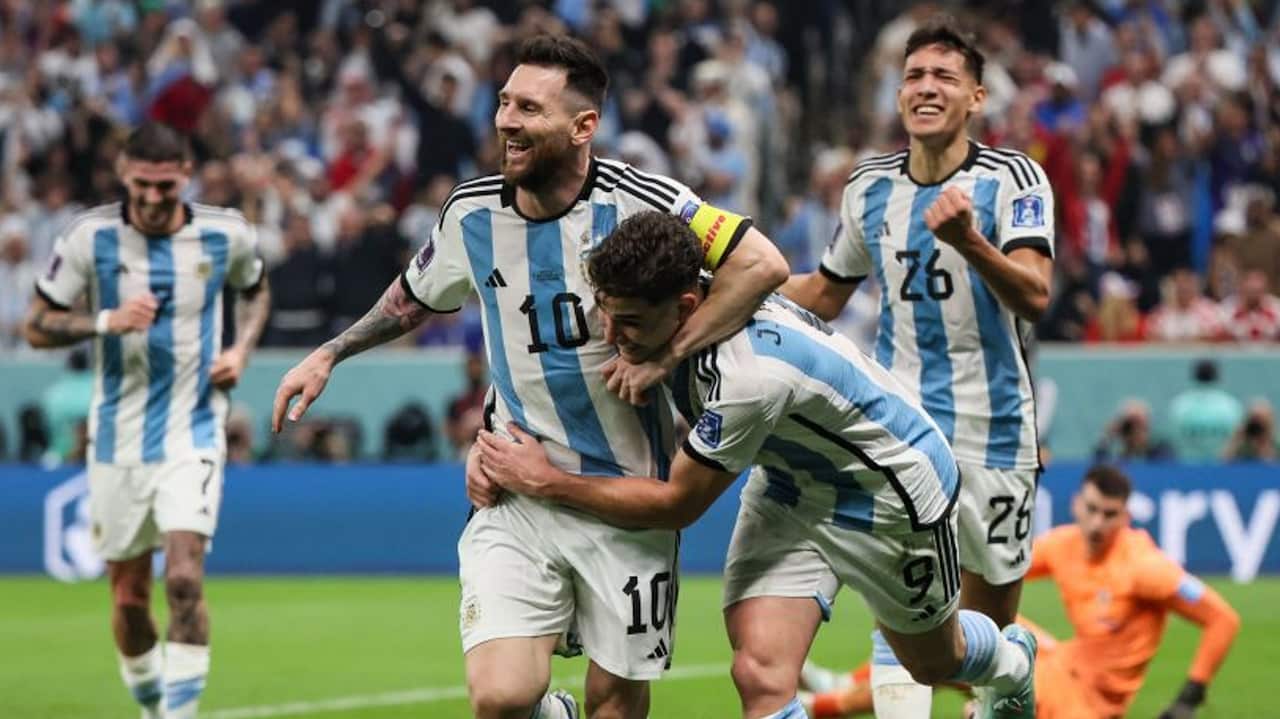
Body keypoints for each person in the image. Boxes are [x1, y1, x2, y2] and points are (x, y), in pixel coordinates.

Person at [271, 35, 788, 719]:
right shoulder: (472, 212)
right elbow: (410, 298)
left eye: (529, 108)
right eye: (506, 102)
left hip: (627, 494)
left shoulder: (644, 202)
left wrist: (665, 357)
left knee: (616, 707)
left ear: (583, 127)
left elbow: (761, 264)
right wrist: (329, 353)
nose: (507, 120)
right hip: (515, 483)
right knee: (501, 696)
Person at [476, 211, 1037, 719]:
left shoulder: (747, 376)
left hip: (890, 491)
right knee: (758, 673)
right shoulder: (677, 290)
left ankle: (1013, 666)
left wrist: (547, 482)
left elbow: (678, 505)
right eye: (607, 314)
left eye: (628, 323)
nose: (610, 336)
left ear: (687, 308)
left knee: (935, 665)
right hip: (791, 485)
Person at [780, 15, 1054, 714]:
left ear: (976, 99)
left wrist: (971, 241)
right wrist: (731, 277)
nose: (926, 88)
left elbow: (1035, 292)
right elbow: (823, 294)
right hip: (900, 425)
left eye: (944, 77)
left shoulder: (1014, 178)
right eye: (914, 76)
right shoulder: (869, 187)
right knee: (901, 610)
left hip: (995, 432)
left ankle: (1009, 680)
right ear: (898, 96)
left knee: (982, 641)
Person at [23, 121, 271, 719]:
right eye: (143, 185)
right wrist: (106, 321)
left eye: (166, 185)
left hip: (195, 429)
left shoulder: (225, 234)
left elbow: (257, 291)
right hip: (117, 440)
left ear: (186, 175)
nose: (155, 198)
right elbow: (36, 325)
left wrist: (239, 351)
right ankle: (152, 703)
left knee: (184, 578)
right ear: (123, 175)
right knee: (130, 600)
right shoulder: (89, 238)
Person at [800, 465, 1241, 719]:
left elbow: (1224, 619)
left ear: (1126, 516)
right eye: (1091, 509)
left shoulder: (1145, 568)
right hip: (1064, 663)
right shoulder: (1067, 545)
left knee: (966, 668)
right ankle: (832, 693)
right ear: (1077, 504)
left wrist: (1189, 697)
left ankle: (826, 700)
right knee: (952, 625)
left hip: (1086, 704)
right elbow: (995, 571)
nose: (1097, 522)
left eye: (1110, 514)